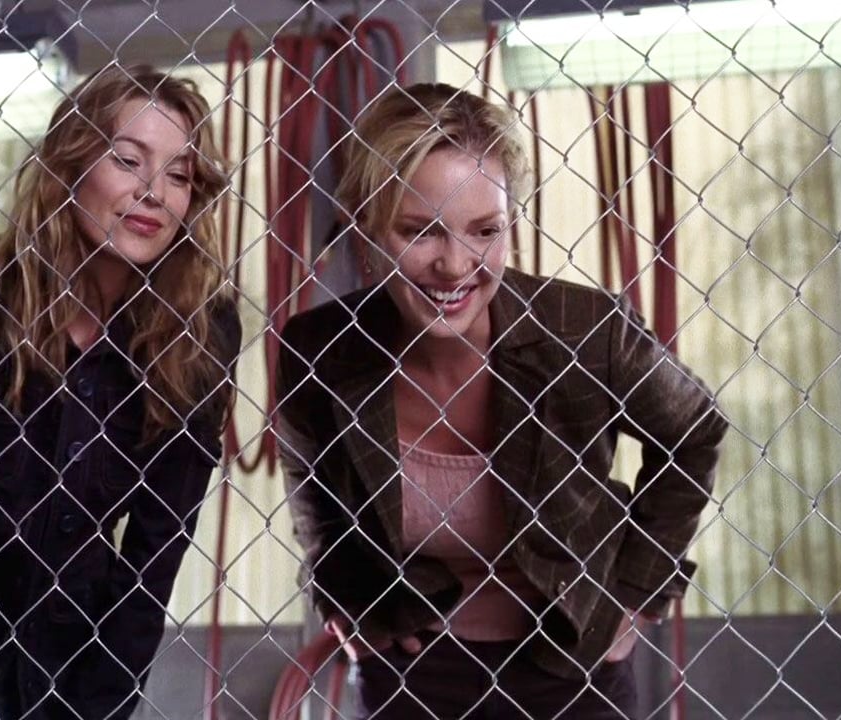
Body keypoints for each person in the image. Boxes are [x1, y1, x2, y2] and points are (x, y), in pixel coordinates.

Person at [276, 83, 728, 719]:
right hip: (410, 659)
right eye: (421, 232)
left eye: (485, 230)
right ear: (366, 224)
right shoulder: (319, 348)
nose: (456, 265)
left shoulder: (585, 330)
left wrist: (633, 594)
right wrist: (345, 601)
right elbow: (316, 500)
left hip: (569, 655)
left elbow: (696, 431)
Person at [0, 64, 240, 719]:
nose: (153, 192)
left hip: (75, 665)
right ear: (70, 164)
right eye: (128, 161)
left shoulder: (202, 330)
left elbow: (157, 547)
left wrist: (101, 702)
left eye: (179, 175)